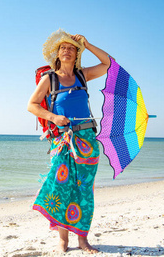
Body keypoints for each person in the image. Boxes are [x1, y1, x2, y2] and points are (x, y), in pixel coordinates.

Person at [27, 29, 111, 253]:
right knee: (62, 188)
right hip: (63, 140)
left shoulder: (83, 75)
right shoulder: (49, 78)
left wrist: (88, 44)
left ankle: (83, 240)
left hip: (87, 140)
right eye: (63, 47)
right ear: (57, 53)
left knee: (84, 191)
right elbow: (32, 105)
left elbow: (108, 64)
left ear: (76, 55)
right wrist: (53, 117)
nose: (67, 50)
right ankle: (62, 240)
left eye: (72, 48)